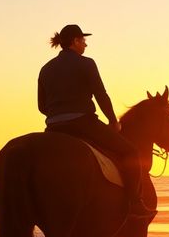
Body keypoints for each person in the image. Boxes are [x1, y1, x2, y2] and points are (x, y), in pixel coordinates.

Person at [38, 24, 155, 218]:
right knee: (131, 152)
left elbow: (42, 106)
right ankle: (135, 203)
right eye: (83, 40)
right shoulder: (86, 63)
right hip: (83, 123)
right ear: (75, 41)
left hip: (53, 128)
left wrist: (58, 114)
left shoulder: (45, 69)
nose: (86, 44)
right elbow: (101, 94)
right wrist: (113, 121)